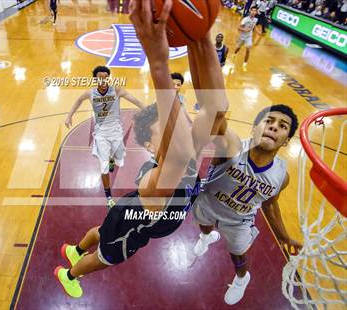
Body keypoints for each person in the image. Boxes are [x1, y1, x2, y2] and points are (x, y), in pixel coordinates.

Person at [54, 0, 228, 298]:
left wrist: (202, 37)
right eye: (167, 127)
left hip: (124, 212)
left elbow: (216, 110)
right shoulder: (159, 182)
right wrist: (158, 67)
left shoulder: (182, 160)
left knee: (102, 229)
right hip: (130, 230)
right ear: (150, 144)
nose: (182, 127)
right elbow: (176, 148)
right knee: (104, 257)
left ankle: (74, 249)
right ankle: (69, 274)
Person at [192, 104, 303, 305]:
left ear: (286, 141)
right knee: (204, 225)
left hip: (239, 221)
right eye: (268, 121)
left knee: (238, 254)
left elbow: (269, 204)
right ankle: (206, 237)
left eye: (282, 125)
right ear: (254, 128)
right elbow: (217, 123)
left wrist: (283, 236)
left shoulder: (281, 177)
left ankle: (242, 278)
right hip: (208, 203)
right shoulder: (231, 147)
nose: (274, 127)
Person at [65, 66, 145, 208]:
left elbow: (135, 100)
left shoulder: (117, 90)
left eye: (106, 77)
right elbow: (78, 100)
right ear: (95, 79)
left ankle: (112, 158)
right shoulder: (90, 93)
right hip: (101, 133)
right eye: (100, 77)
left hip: (116, 131)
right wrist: (69, 116)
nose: (103, 80)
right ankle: (109, 197)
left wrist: (148, 110)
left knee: (117, 156)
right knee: (104, 167)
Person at [232, 6, 262, 71]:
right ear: (250, 11)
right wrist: (244, 29)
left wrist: (257, 32)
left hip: (249, 37)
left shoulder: (256, 20)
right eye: (252, 10)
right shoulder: (245, 19)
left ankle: (245, 64)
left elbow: (254, 26)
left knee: (248, 50)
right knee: (238, 48)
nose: (253, 12)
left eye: (255, 11)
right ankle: (234, 53)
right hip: (242, 36)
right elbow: (239, 28)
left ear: (256, 12)